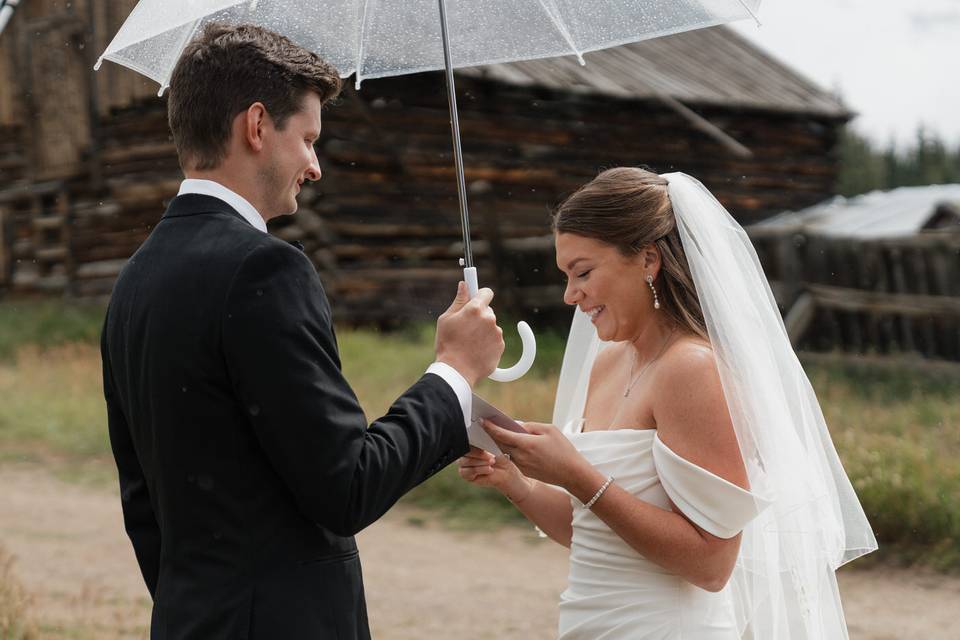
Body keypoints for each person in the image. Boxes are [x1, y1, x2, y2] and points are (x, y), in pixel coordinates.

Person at [100, 23, 505, 640]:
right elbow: (348, 487)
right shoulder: (265, 269)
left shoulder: (133, 280)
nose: (314, 166)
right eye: (309, 139)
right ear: (258, 126)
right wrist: (454, 373)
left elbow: (145, 510)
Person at [460, 168, 877, 639]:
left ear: (648, 260)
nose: (570, 294)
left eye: (583, 272)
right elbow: (596, 537)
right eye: (566, 276)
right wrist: (517, 482)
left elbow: (711, 563)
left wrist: (576, 473)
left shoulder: (693, 369)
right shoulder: (607, 365)